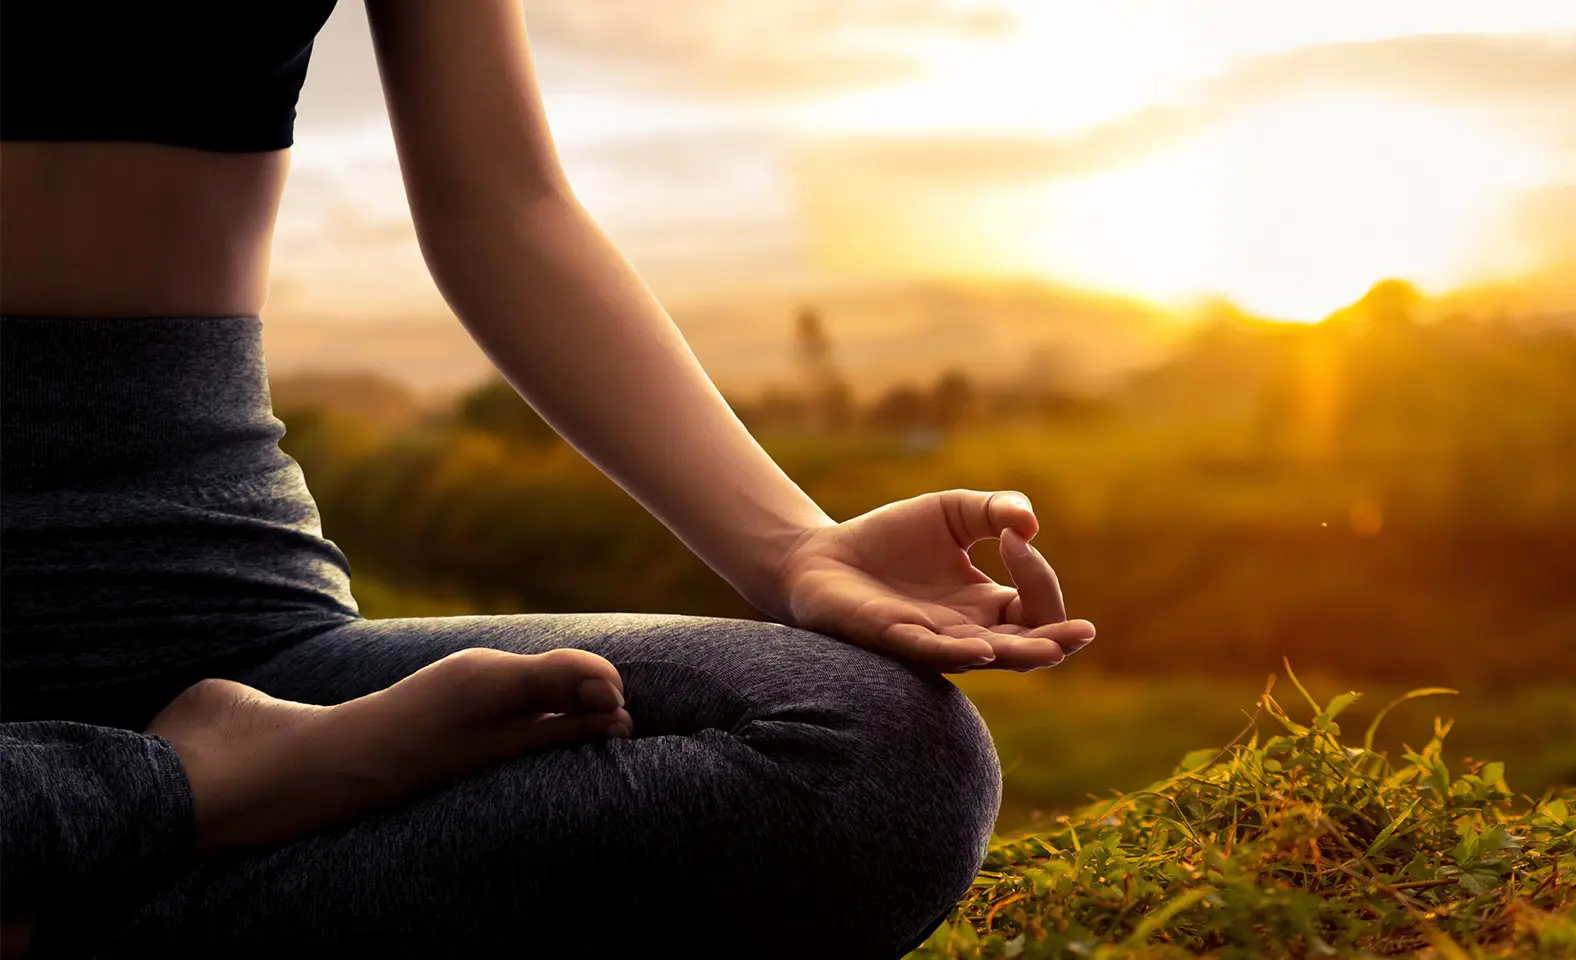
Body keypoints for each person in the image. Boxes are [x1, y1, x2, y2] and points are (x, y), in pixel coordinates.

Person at [0, 1, 1097, 957]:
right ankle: (180, 806)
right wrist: (183, 791)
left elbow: (504, 203)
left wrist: (790, 547)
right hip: (181, 729)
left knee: (867, 757)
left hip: (227, 614)